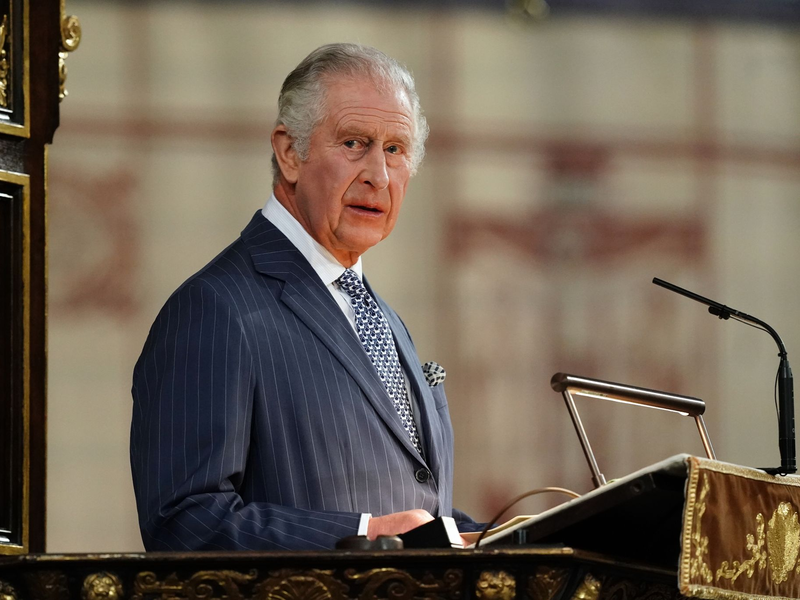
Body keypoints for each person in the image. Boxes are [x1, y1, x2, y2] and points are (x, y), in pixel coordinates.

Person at [130, 43, 478, 551]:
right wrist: (360, 536)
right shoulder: (215, 309)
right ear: (289, 152)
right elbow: (184, 521)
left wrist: (511, 536)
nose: (378, 175)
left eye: (396, 150)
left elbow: (412, 504)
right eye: (355, 143)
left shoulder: (379, 314)